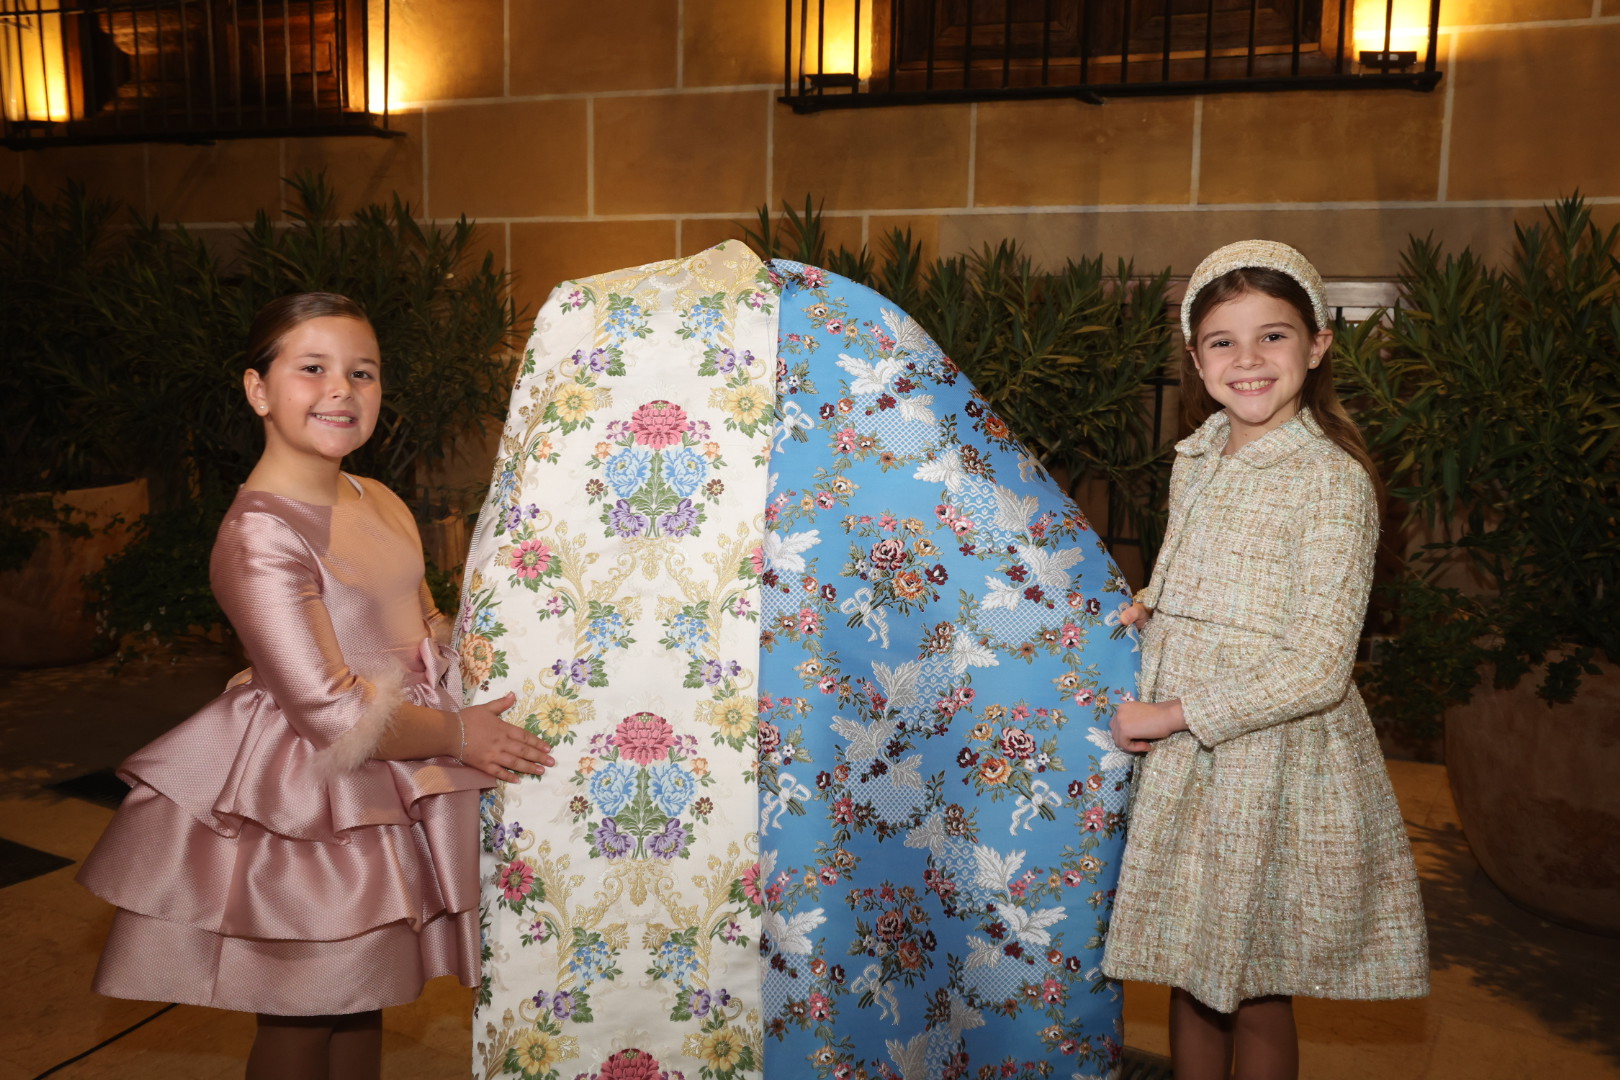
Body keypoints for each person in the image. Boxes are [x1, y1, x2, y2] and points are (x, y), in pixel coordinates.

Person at [77, 292, 556, 1080]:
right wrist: (460, 734)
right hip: (312, 799)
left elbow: (431, 627)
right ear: (258, 390)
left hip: (397, 774)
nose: (341, 389)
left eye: (362, 372)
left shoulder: (381, 500)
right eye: (312, 368)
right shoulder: (260, 533)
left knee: (363, 994)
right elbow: (332, 711)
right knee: (304, 1014)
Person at [1100, 242, 1428, 1080]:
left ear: (1317, 345)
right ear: (1196, 357)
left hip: (1264, 757)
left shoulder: (1329, 480)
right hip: (1188, 763)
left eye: (1272, 336)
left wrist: (1174, 714)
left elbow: (1318, 664)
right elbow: (1203, 566)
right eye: (1223, 341)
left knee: (1251, 982)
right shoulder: (1203, 454)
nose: (1247, 360)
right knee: (1191, 964)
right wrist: (1155, 601)